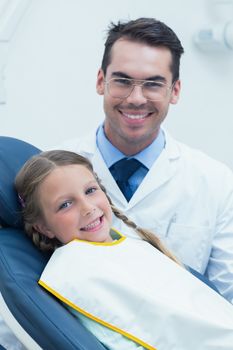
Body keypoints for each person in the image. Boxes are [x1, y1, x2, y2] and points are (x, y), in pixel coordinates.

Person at [58, 17, 233, 303]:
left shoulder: (215, 182)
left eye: (153, 84)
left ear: (174, 91)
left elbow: (228, 298)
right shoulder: (53, 172)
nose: (136, 98)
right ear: (101, 81)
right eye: (123, 81)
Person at [15, 150, 233, 350]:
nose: (88, 208)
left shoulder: (129, 246)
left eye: (90, 190)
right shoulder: (76, 272)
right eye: (65, 205)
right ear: (43, 226)